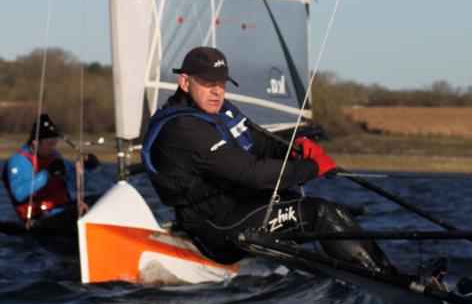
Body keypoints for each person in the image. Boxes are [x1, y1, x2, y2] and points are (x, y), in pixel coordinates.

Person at [141, 46, 392, 272]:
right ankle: (385, 281)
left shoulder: (220, 110)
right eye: (208, 83)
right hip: (215, 229)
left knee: (332, 211)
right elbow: (254, 173)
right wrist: (312, 167)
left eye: (221, 83)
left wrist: (292, 150)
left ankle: (388, 274)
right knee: (320, 213)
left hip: (240, 206)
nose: (217, 91)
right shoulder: (182, 129)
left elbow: (258, 143)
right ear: (185, 82)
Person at [2, 114, 101, 225]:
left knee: (100, 201)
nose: (53, 148)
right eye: (50, 144)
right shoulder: (18, 161)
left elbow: (74, 184)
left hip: (63, 211)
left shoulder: (56, 157)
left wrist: (86, 168)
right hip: (40, 218)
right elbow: (19, 194)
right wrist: (47, 174)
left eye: (55, 143)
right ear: (35, 143)